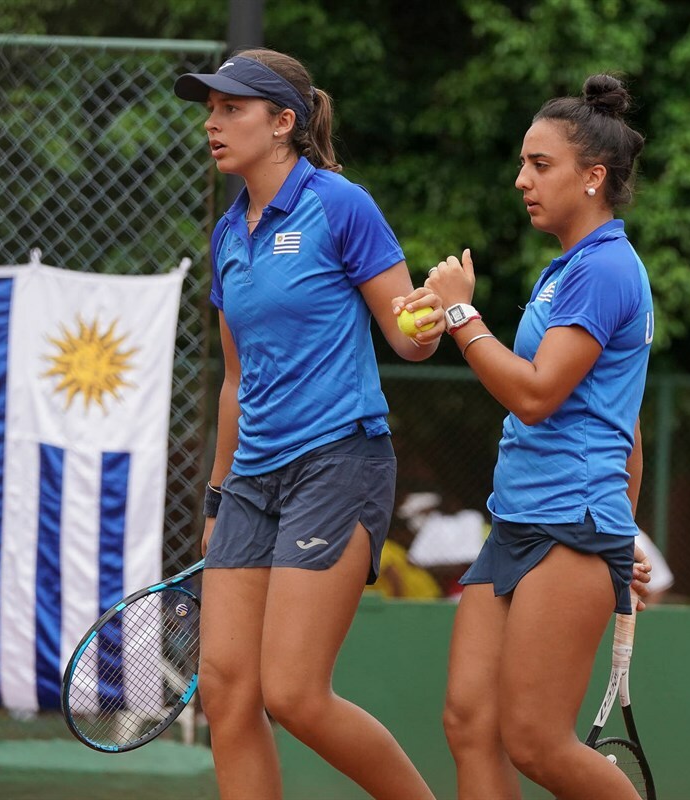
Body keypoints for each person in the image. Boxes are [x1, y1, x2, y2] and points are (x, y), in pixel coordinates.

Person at [172, 49, 441, 800]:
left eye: (232, 109)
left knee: (292, 693)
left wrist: (438, 309)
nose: (213, 123)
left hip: (338, 461)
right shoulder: (229, 236)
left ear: (283, 123)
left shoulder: (340, 204)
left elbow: (407, 339)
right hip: (252, 482)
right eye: (211, 109)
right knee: (226, 694)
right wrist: (217, 499)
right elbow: (235, 381)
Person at [417, 73, 655, 800]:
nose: (521, 179)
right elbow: (628, 421)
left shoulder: (606, 266)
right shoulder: (568, 270)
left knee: (535, 743)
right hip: (520, 524)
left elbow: (537, 394)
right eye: (523, 163)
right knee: (469, 721)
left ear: (594, 178)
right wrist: (629, 533)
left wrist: (464, 320)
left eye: (539, 165)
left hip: (568, 528)